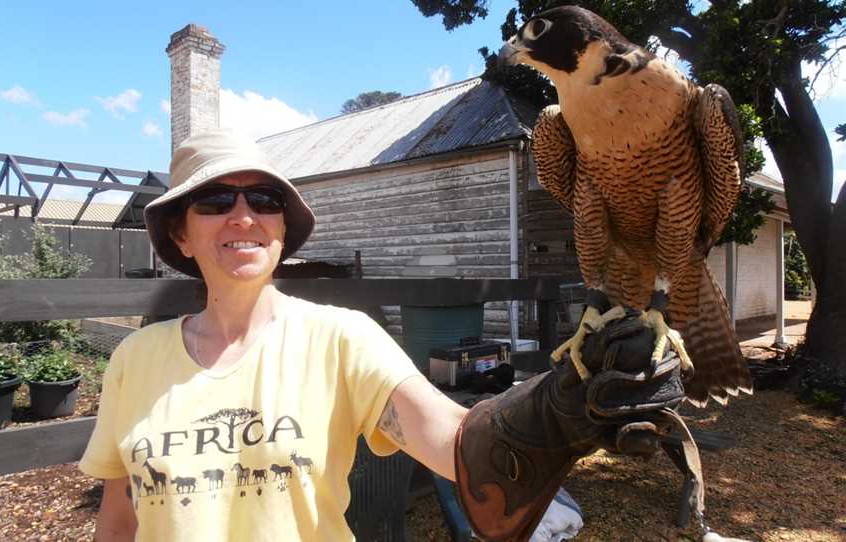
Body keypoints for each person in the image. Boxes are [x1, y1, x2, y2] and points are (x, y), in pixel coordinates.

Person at [79, 130, 683, 541]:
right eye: (213, 200)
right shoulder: (135, 359)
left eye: (263, 198)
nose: (243, 215)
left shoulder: (341, 339)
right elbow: (119, 516)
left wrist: (558, 404)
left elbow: (453, 442)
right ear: (180, 235)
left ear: (281, 230)